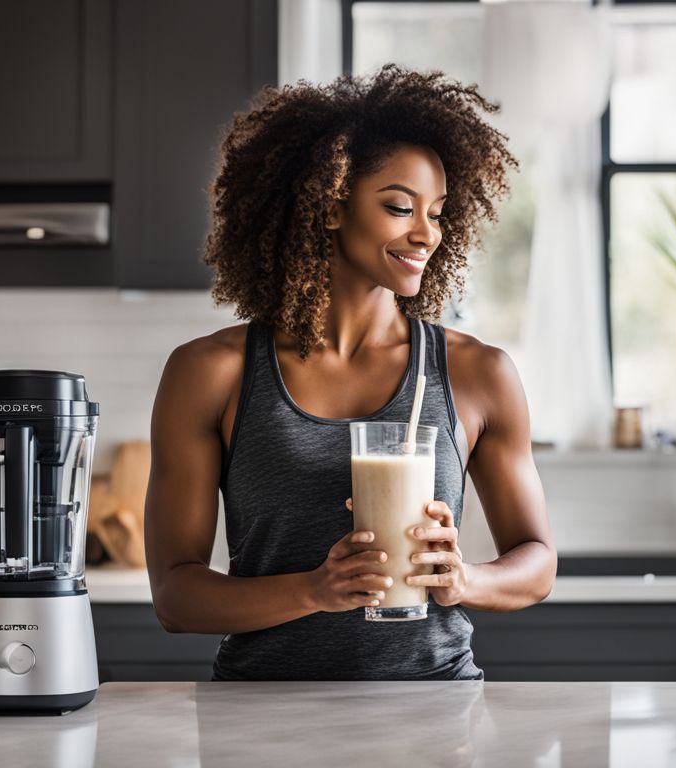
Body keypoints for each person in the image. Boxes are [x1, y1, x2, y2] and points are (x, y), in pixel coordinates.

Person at [144, 65, 555, 681]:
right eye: (399, 207)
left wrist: (465, 578)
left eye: (438, 213)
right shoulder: (212, 373)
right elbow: (176, 597)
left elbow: (538, 563)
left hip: (436, 715)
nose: (427, 235)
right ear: (330, 205)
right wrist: (316, 590)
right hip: (264, 722)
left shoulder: (477, 374)